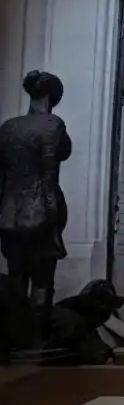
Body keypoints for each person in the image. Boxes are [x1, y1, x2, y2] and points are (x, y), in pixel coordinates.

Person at [0, 70, 72, 347]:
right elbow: (49, 179)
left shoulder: (7, 127)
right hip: (40, 212)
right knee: (42, 281)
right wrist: (54, 226)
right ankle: (37, 343)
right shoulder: (52, 125)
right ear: (52, 96)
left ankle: (15, 340)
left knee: (16, 278)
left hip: (8, 214)